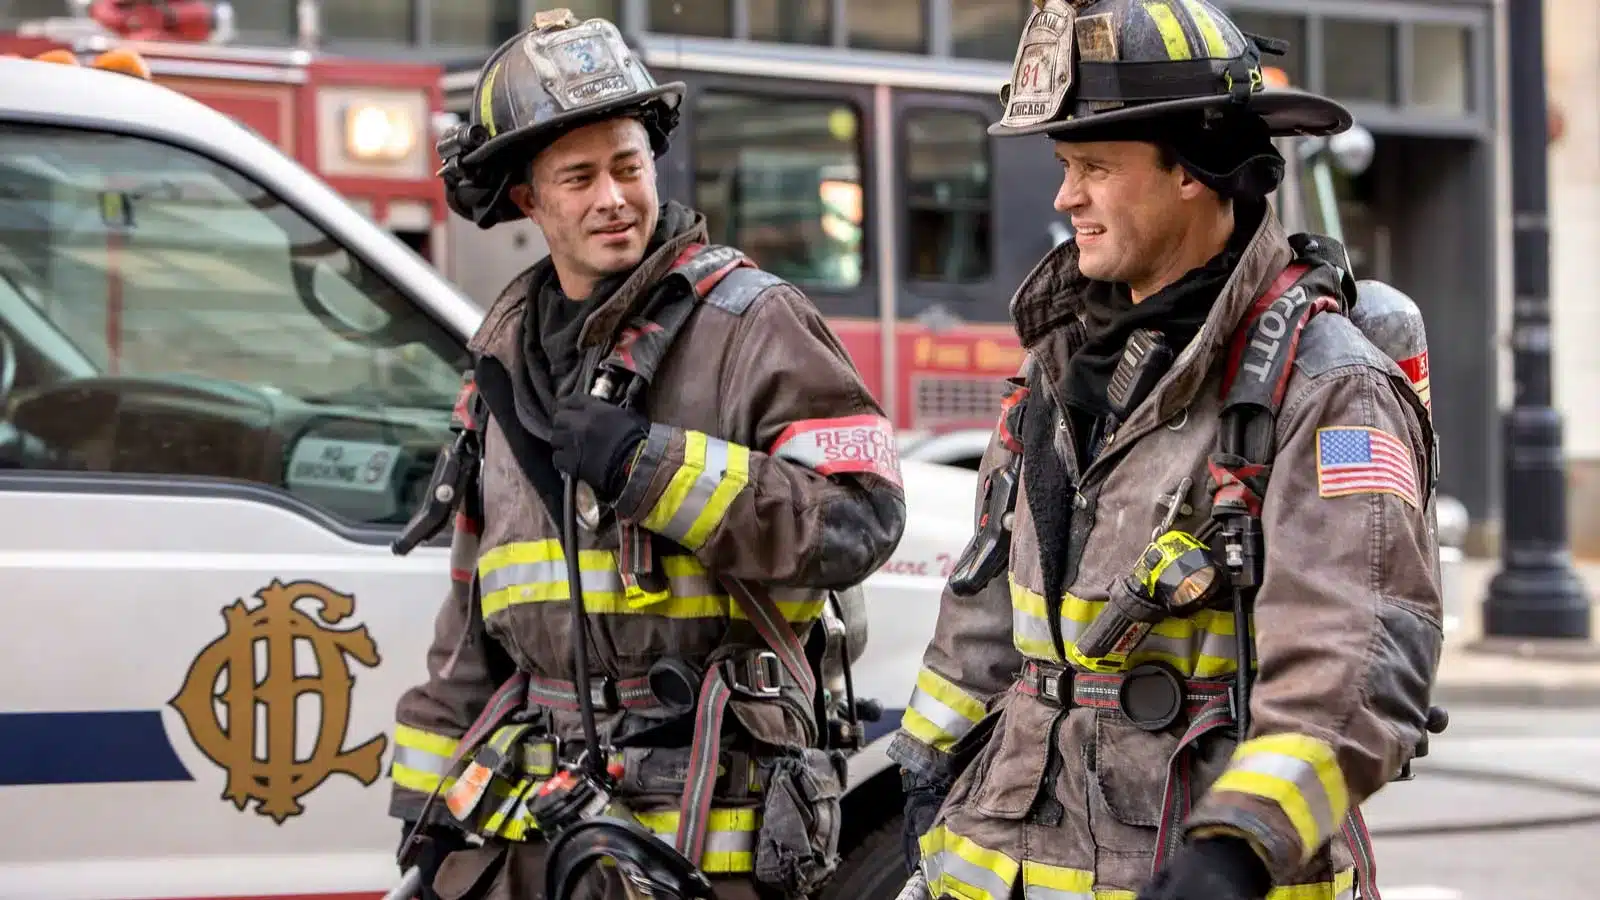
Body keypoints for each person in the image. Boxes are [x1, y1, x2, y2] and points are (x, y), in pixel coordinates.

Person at [888, 1, 1444, 899]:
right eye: (1066, 167)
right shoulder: (1057, 367)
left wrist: (1237, 849)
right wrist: (922, 765)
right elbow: (989, 600)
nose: (1066, 198)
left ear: (1193, 170)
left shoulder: (1327, 385)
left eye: (1096, 168)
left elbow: (1358, 657)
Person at [384, 9, 906, 900]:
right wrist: (426, 813)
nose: (613, 197)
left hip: (716, 836)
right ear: (529, 201)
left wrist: (648, 468)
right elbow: (471, 623)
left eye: (628, 167)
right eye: (579, 177)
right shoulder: (502, 368)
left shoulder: (753, 323)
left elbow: (861, 518)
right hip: (546, 837)